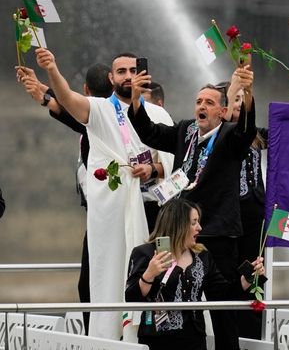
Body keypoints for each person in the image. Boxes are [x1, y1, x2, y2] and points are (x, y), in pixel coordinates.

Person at [35, 48, 174, 340]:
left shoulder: (158, 113)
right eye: (121, 71)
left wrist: (154, 171)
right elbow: (68, 99)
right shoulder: (99, 109)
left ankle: (148, 339)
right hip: (113, 212)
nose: (127, 76)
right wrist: (52, 69)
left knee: (155, 280)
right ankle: (106, 340)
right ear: (111, 78)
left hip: (154, 213)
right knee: (107, 275)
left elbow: (176, 162)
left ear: (141, 75)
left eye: (132, 71)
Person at [127, 63, 256, 350]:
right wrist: (136, 99)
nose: (201, 106)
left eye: (209, 103)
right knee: (164, 296)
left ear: (222, 112)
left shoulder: (229, 136)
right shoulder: (186, 130)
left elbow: (246, 131)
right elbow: (150, 132)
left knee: (222, 312)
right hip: (176, 232)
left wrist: (246, 93)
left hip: (216, 234)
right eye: (198, 101)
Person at [17, 62, 113, 333]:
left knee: (94, 285)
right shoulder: (103, 119)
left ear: (85, 89)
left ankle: (102, 337)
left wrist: (47, 88)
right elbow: (68, 110)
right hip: (97, 216)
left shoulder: (104, 120)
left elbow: (71, 110)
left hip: (110, 215)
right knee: (90, 284)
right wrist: (44, 93)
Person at [221, 60, 289, 339]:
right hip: (224, 219)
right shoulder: (213, 136)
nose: (239, 107)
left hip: (254, 219)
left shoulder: (255, 136)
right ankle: (225, 337)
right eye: (234, 101)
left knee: (254, 277)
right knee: (226, 281)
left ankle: (253, 339)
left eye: (242, 102)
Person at [126, 198, 266, 350]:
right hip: (157, 340)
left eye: (198, 222)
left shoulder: (202, 255)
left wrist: (249, 277)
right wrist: (149, 274)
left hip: (194, 339)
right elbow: (132, 298)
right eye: (193, 223)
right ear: (177, 225)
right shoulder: (145, 253)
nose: (199, 228)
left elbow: (222, 294)